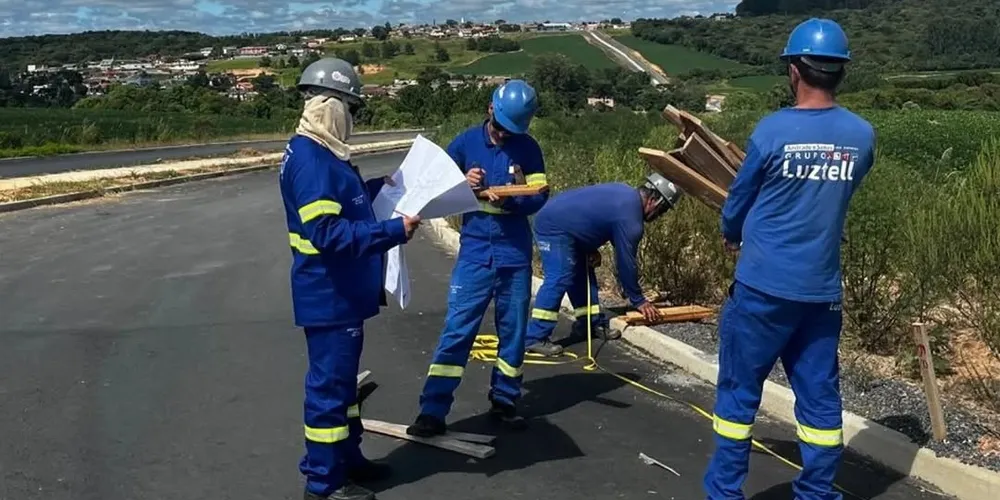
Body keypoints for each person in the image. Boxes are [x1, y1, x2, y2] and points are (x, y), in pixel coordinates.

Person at [702, 18, 875, 500]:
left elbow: (738, 199)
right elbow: (837, 196)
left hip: (762, 289)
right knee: (820, 402)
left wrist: (732, 233)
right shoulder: (861, 136)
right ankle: (817, 493)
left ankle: (724, 493)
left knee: (738, 396)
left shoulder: (773, 130)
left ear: (795, 70)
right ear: (841, 72)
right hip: (820, 293)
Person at [279, 57, 421, 500]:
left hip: (339, 293)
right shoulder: (313, 162)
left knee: (345, 388)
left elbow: (348, 201)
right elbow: (327, 233)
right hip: (329, 293)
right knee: (329, 391)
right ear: (333, 106)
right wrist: (393, 231)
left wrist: (386, 185)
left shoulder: (318, 151)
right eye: (352, 109)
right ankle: (322, 484)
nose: (354, 120)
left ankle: (349, 461)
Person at [406, 79, 548, 437]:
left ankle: (505, 400)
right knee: (458, 330)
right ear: (490, 111)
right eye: (499, 128)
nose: (502, 136)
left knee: (513, 333)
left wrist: (514, 199)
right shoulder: (467, 142)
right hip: (475, 251)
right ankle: (432, 411)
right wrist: (463, 181)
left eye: (510, 131)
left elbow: (540, 194)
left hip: (514, 253)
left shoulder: (528, 148)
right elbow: (435, 185)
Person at [524, 174, 682, 356]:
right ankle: (535, 337)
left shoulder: (625, 193)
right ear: (653, 200)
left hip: (564, 225)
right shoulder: (631, 219)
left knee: (583, 273)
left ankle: (590, 324)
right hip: (552, 226)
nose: (660, 215)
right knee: (560, 276)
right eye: (662, 210)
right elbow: (625, 262)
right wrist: (638, 300)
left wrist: (588, 245)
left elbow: (593, 216)